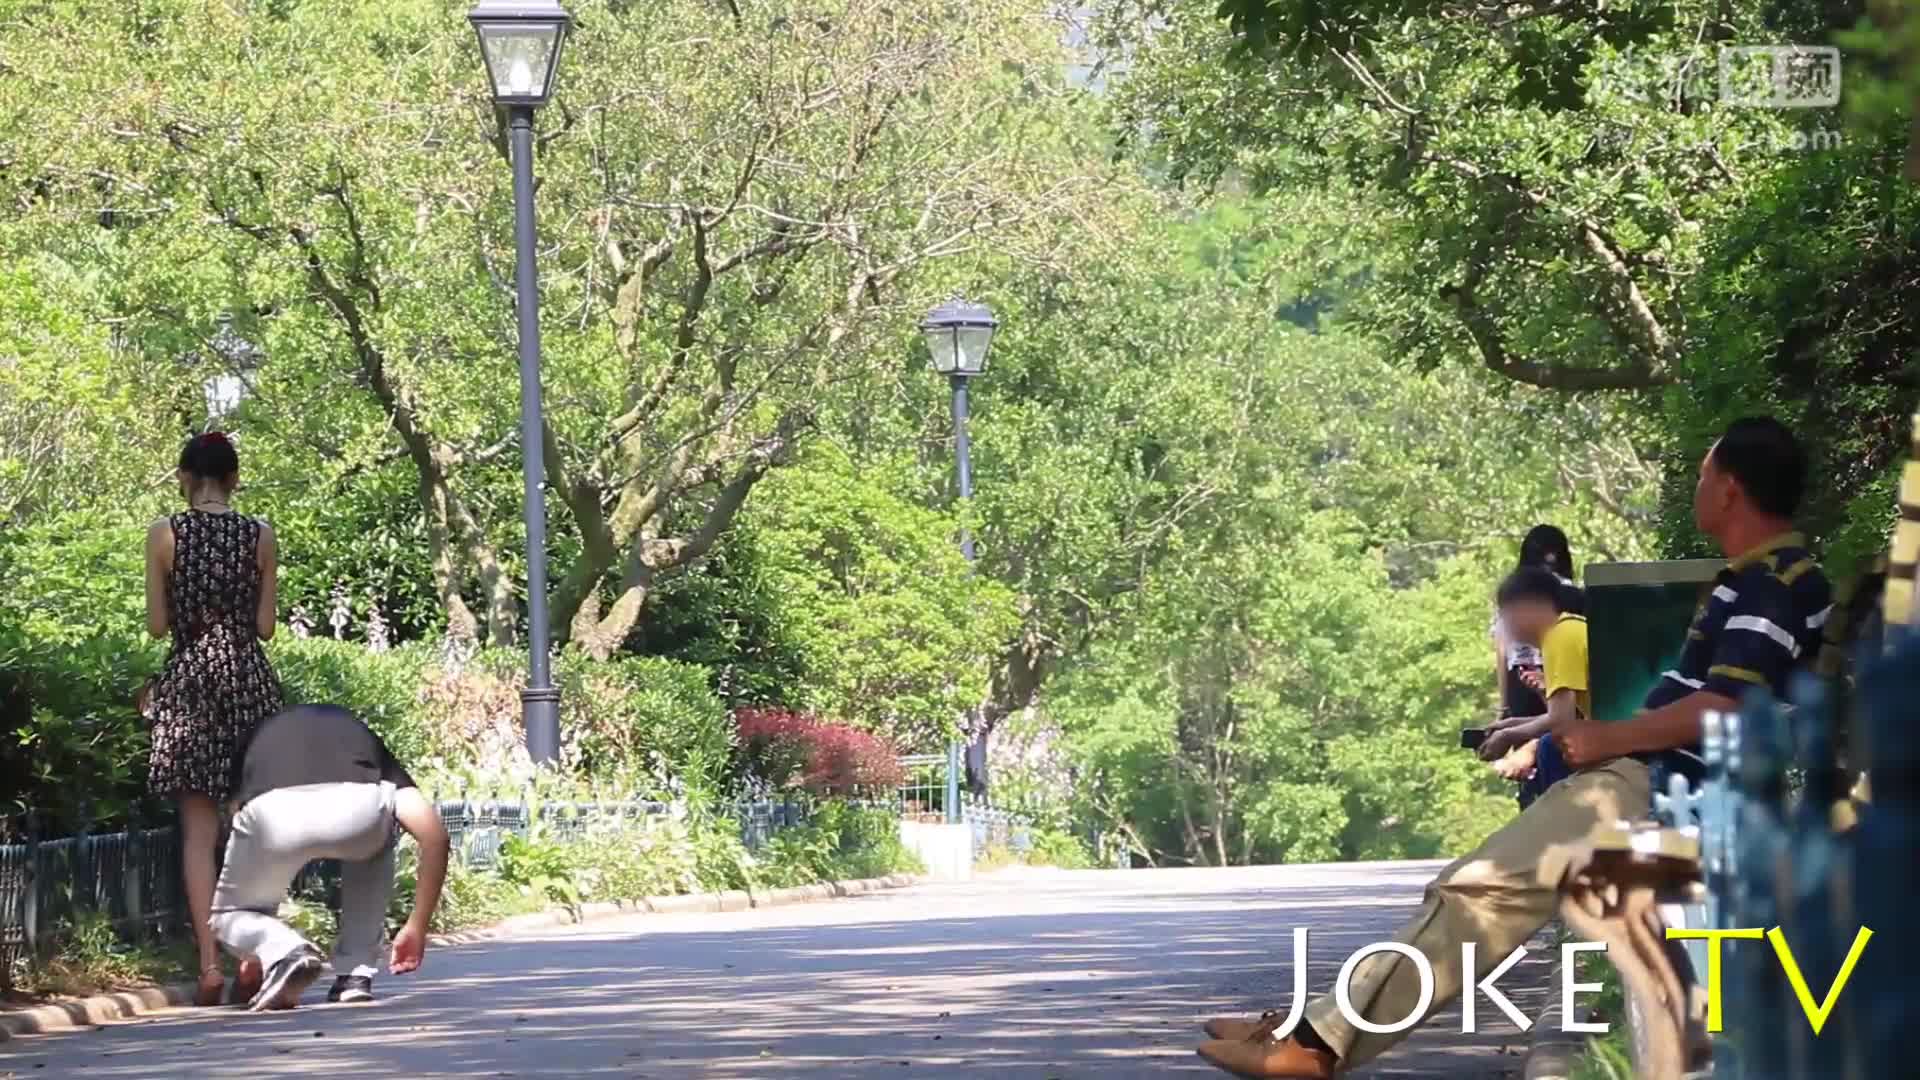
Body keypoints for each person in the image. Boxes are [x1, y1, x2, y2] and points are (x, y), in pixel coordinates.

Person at [1196, 417, 1833, 1079]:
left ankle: (1314, 1046)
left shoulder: (1771, 586)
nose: (1697, 488)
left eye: (1703, 475)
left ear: (1729, 489)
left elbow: (1726, 707)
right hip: (1661, 780)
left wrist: (1609, 737)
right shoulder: (1759, 579)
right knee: (1467, 887)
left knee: (1480, 891)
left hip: (1670, 790)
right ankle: (1309, 1031)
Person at [142, 431, 285, 1006]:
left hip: (190, 684)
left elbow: (157, 626)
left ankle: (207, 965)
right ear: (234, 479)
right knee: (249, 827)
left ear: (184, 477)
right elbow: (266, 627)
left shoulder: (164, 533)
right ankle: (251, 954)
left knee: (198, 835)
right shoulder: (260, 535)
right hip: (248, 680)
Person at [211, 703, 450, 1011]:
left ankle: (284, 950)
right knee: (377, 840)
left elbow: (249, 856)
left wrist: (258, 946)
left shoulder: (256, 742)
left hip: (271, 814)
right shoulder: (362, 740)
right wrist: (417, 925)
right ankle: (355, 975)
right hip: (359, 812)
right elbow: (435, 837)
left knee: (229, 915)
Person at [1479, 567, 1588, 802]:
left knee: (1551, 746)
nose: (1507, 631)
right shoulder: (1566, 631)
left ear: (1529, 607)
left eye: (1507, 618)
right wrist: (1510, 724)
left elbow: (1562, 721)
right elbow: (1568, 715)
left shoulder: (1561, 636)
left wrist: (1508, 736)